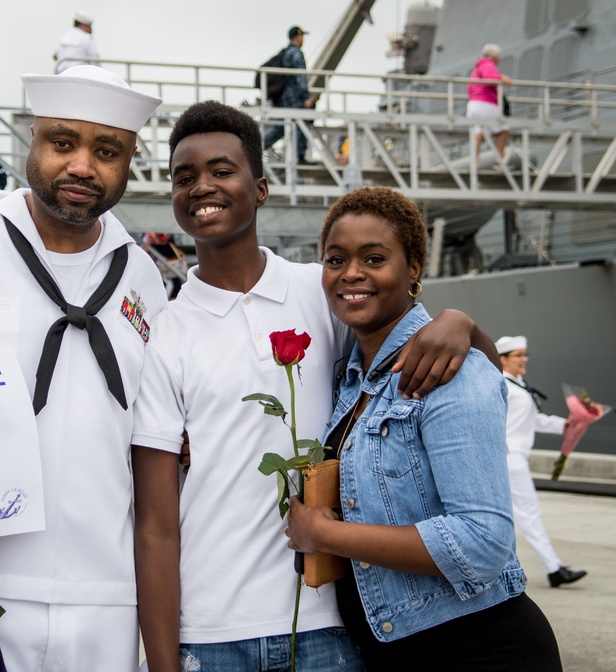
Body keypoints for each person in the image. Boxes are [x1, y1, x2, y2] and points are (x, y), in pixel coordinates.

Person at [131, 101, 501, 672]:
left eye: (222, 170)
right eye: (184, 177)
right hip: (212, 630)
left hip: (333, 621)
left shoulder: (324, 291)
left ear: (261, 188)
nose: (202, 186)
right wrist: (161, 663)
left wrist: (463, 324)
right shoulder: (167, 335)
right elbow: (156, 527)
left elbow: (431, 350)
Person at [0, 65, 164, 671]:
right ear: (33, 140)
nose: (82, 166)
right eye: (63, 142)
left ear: (128, 162)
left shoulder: (143, 277)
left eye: (107, 151)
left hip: (109, 594)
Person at [285, 186, 561, 671]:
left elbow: (483, 542)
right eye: (336, 259)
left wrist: (327, 535)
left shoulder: (449, 371)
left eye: (374, 258)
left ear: (413, 268)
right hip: (393, 651)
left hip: (477, 650)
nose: (352, 273)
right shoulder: (352, 378)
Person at [496, 335, 587, 588]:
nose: (524, 360)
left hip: (515, 457)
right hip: (510, 458)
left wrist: (566, 424)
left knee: (515, 516)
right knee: (529, 514)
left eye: (525, 355)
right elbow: (490, 418)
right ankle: (554, 568)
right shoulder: (502, 385)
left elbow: (534, 421)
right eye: (519, 355)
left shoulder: (519, 384)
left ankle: (540, 568)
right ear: (503, 359)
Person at [262, 26, 314, 164]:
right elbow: (300, 77)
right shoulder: (296, 53)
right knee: (302, 122)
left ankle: (256, 147)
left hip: (283, 97)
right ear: (298, 37)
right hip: (295, 98)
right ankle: (300, 156)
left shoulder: (285, 53)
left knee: (280, 127)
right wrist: (306, 97)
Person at [467, 44, 513, 158]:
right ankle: (499, 161)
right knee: (504, 130)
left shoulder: (476, 69)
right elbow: (489, 77)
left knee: (479, 133)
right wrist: (502, 78)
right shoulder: (488, 64)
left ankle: (475, 162)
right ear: (495, 56)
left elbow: (469, 89)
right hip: (486, 103)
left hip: (473, 104)